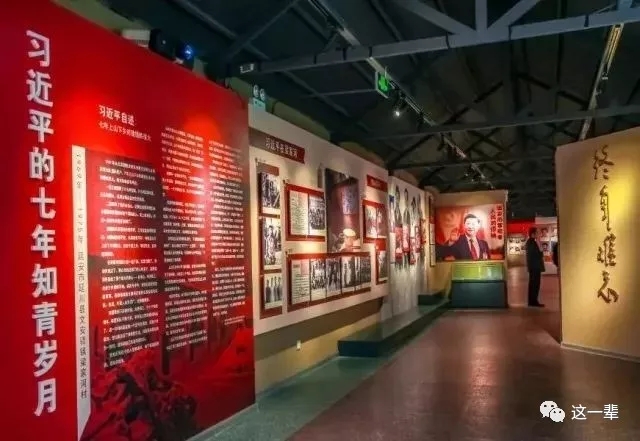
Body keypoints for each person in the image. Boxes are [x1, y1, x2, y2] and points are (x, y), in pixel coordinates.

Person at [526, 227, 545, 307]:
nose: (539, 234)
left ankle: (532, 301)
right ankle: (533, 302)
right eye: (537, 233)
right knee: (535, 285)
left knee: (534, 284)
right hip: (534, 267)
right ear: (533, 234)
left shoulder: (532, 242)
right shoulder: (531, 243)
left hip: (534, 267)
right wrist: (539, 245)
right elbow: (539, 254)